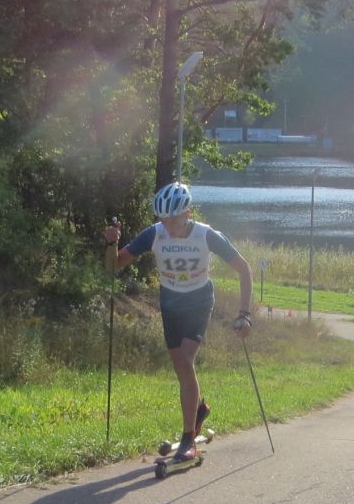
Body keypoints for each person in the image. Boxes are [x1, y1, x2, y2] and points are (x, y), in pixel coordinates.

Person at [104, 182, 254, 460]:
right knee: (181, 367)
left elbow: (244, 269)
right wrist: (112, 243)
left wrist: (244, 314)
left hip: (198, 301)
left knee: (185, 362)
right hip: (170, 302)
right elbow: (113, 266)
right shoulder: (155, 234)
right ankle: (198, 411)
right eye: (163, 219)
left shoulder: (206, 235)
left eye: (172, 219)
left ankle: (188, 439)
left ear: (186, 214)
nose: (167, 225)